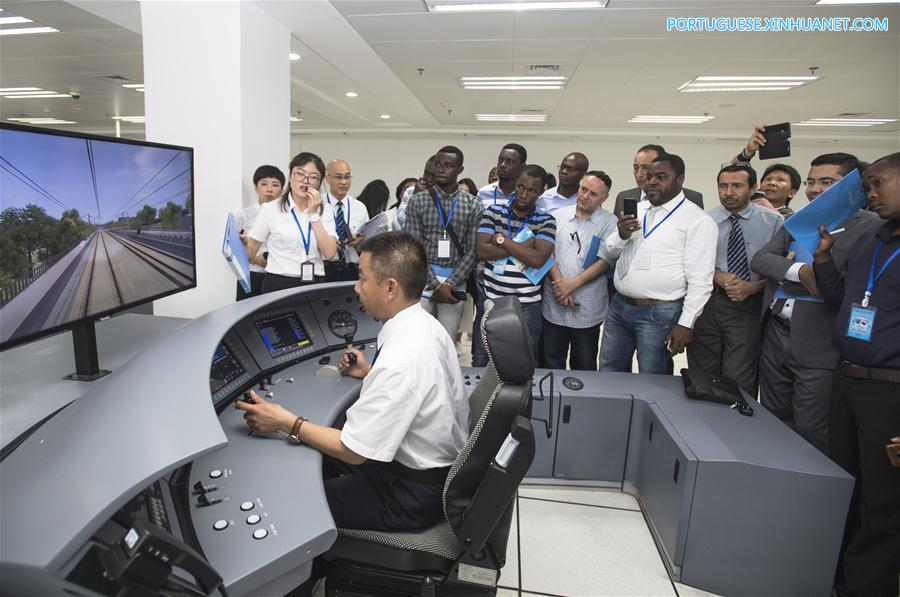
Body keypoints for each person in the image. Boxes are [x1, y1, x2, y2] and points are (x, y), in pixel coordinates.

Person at [236, 232, 469, 593]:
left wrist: (286, 422)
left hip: (409, 495)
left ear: (390, 287)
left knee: (293, 502)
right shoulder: (424, 326)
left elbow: (354, 451)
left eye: (362, 278)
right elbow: (414, 391)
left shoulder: (403, 357)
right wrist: (371, 375)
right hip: (426, 470)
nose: (356, 288)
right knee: (316, 460)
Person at [750, 152, 882, 453]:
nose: (815, 189)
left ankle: (811, 491)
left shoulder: (870, 227)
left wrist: (807, 271)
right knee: (772, 417)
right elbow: (761, 259)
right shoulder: (800, 219)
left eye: (827, 182)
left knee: (811, 427)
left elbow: (846, 282)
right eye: (811, 182)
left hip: (819, 341)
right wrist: (799, 271)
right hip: (776, 330)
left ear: (853, 187)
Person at [811, 152, 900, 597]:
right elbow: (840, 299)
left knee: (882, 500)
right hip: (848, 380)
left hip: (890, 391)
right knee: (845, 484)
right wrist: (823, 260)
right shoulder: (872, 238)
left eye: (878, 184)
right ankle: (837, 576)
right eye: (867, 185)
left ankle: (868, 587)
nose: (870, 194)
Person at [600, 154, 717, 374]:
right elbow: (609, 251)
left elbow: (700, 280)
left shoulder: (698, 221)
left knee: (653, 378)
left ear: (680, 180)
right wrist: (622, 234)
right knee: (609, 372)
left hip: (659, 313)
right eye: (649, 176)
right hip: (619, 307)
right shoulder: (638, 210)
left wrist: (686, 323)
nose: (651, 182)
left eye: (661, 177)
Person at [686, 164, 782, 396]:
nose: (728, 192)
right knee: (702, 374)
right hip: (707, 304)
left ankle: (737, 426)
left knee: (739, 377)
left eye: (737, 186)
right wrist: (717, 276)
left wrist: (753, 287)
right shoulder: (705, 220)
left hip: (748, 306)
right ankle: (703, 423)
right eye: (723, 186)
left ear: (753, 188)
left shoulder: (774, 223)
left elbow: (781, 270)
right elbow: (688, 261)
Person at [476, 164, 556, 363]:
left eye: (531, 191)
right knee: (482, 358)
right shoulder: (493, 212)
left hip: (527, 305)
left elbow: (538, 260)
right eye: (520, 187)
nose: (523, 194)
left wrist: (502, 240)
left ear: (541, 191)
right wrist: (525, 246)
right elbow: (481, 251)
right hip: (491, 299)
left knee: (523, 361)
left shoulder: (546, 220)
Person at [403, 146, 483, 339]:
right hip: (422, 280)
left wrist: (449, 284)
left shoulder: (473, 204)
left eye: (448, 165)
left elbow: (473, 251)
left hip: (455, 284)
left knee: (446, 342)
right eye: (438, 164)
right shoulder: (418, 201)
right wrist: (434, 284)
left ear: (460, 170)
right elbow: (413, 246)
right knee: (418, 341)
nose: (441, 169)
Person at [541, 170, 617, 370]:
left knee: (584, 366)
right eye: (584, 189)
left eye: (593, 194)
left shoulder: (611, 223)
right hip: (554, 304)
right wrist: (561, 285)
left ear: (604, 198)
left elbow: (604, 261)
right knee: (550, 364)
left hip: (587, 308)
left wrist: (570, 286)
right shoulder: (556, 216)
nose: (585, 196)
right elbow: (547, 253)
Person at [246, 152, 338, 293]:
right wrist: (238, 246)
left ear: (319, 183)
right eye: (300, 174)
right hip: (278, 282)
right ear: (290, 177)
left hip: (315, 282)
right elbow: (250, 251)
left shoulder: (325, 211)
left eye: (313, 177)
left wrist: (313, 215)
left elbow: (330, 253)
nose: (305, 180)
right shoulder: (270, 209)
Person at [472, 144, 528, 365]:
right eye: (501, 160)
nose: (502, 165)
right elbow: (478, 237)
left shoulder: (528, 196)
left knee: (513, 331)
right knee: (484, 325)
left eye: (510, 161)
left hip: (518, 276)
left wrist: (502, 241)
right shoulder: (484, 193)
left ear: (521, 166)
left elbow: (530, 242)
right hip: (485, 271)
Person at [236, 165, 284, 300]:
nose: (269, 189)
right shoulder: (243, 215)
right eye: (264, 184)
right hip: (251, 275)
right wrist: (257, 260)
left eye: (275, 185)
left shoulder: (286, 216)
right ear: (256, 187)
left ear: (282, 189)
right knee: (246, 315)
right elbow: (232, 247)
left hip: (277, 276)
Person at [613, 144, 703, 215]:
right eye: (636, 168)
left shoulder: (692, 198)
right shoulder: (624, 197)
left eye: (645, 167)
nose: (639, 174)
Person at [323, 160, 368, 282]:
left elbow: (367, 241)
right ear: (327, 179)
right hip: (324, 267)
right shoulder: (318, 204)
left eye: (347, 177)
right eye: (338, 177)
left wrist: (360, 242)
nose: (344, 182)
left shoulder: (359, 207)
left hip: (352, 267)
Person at [392, 155, 436, 232]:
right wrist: (415, 196)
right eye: (426, 173)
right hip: (413, 241)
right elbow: (396, 227)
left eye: (433, 175)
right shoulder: (411, 191)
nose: (428, 178)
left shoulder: (447, 196)